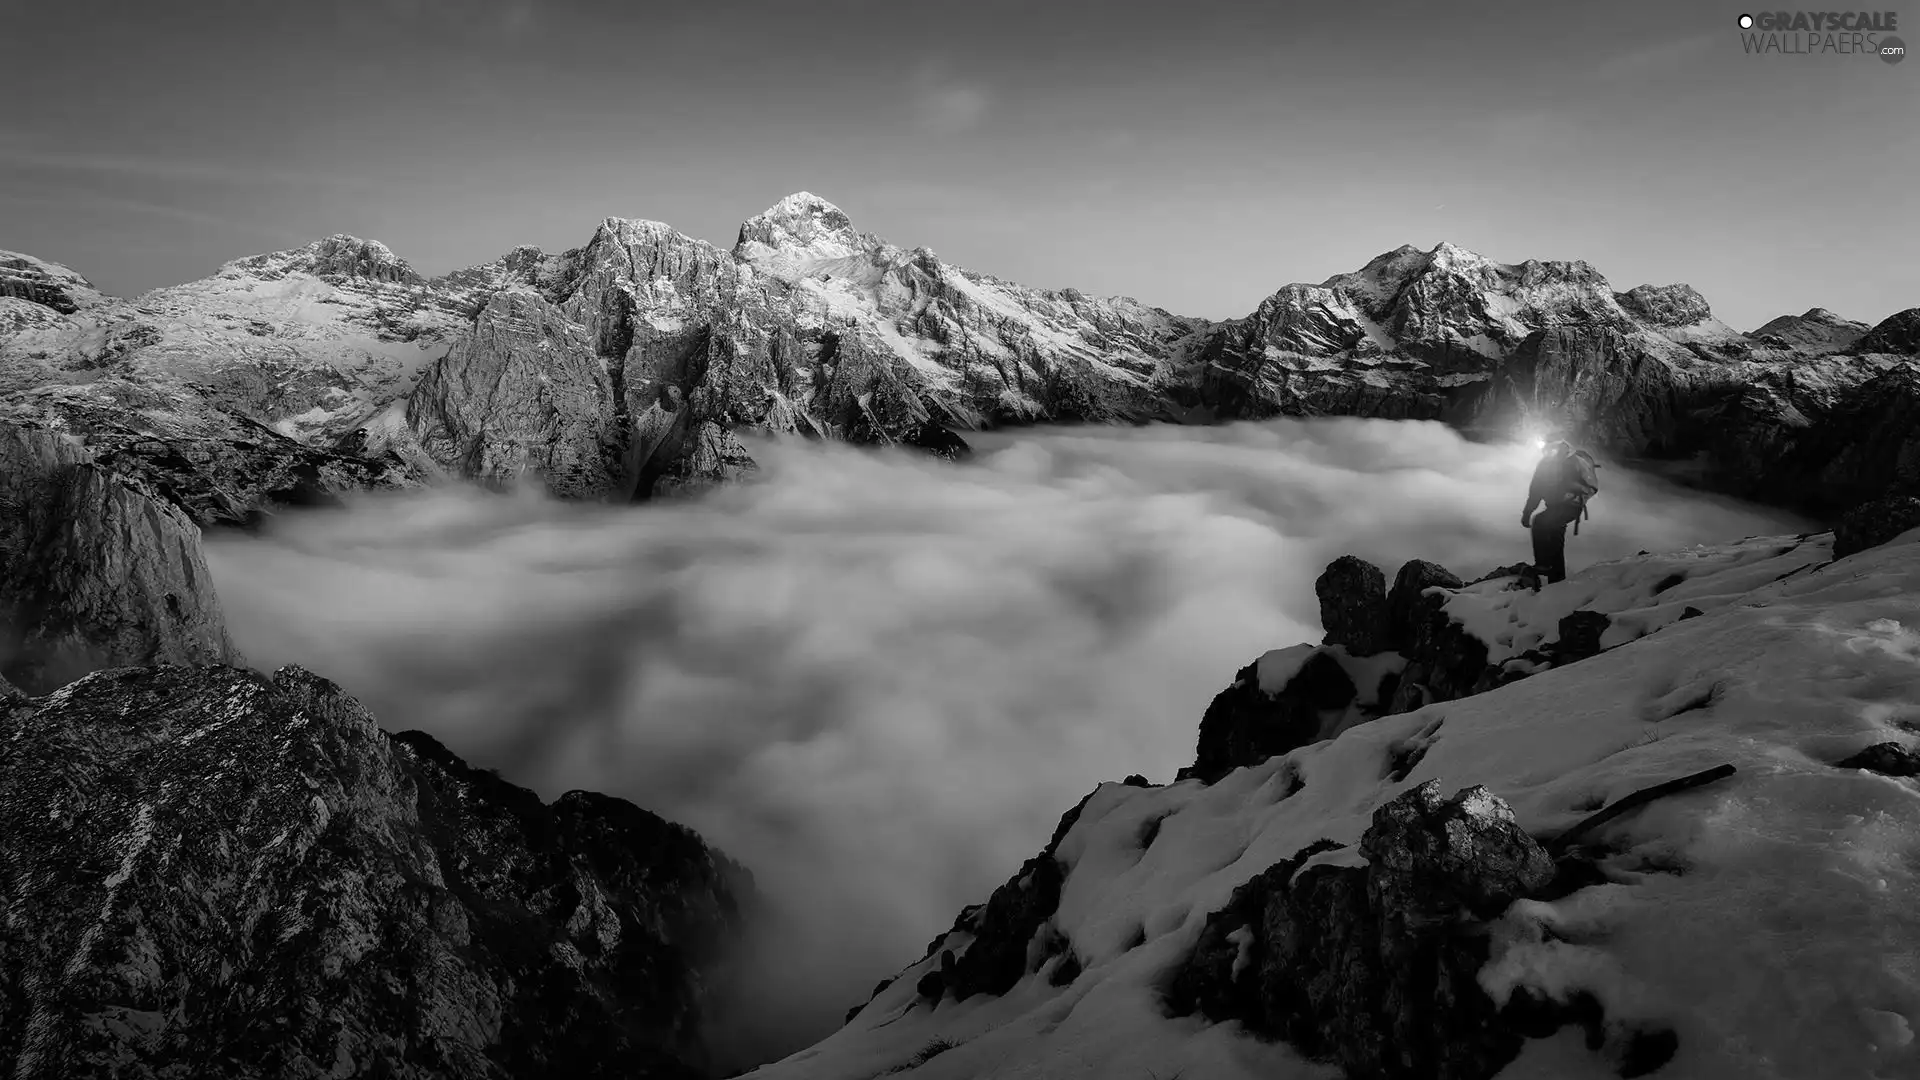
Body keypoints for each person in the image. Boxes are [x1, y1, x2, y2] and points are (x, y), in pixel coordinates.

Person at [1521, 439, 1598, 585]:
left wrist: (1527, 514)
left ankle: (1543, 565)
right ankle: (1557, 578)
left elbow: (1535, 491)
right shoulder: (1560, 462)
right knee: (1555, 535)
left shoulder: (1555, 464)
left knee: (1540, 522)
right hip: (1569, 506)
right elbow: (1536, 491)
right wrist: (1527, 513)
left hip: (1566, 506)